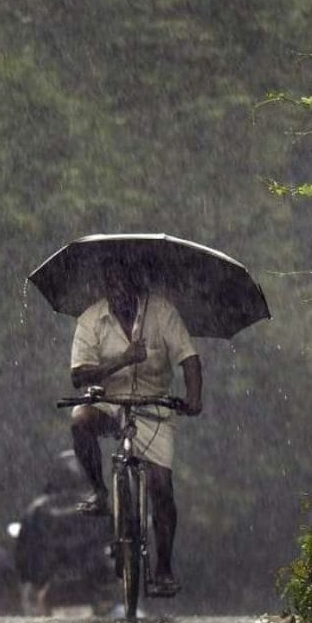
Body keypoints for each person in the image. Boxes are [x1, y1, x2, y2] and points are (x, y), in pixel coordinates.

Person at [69, 256, 202, 597]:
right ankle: (99, 491)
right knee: (80, 420)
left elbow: (189, 358)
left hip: (153, 404)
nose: (119, 294)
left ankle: (164, 568)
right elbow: (78, 376)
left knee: (161, 486)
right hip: (108, 401)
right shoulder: (90, 319)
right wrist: (123, 360)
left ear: (138, 286)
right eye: (112, 287)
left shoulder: (162, 313)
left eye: (125, 286)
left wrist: (193, 398)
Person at [14, 450, 114, 616]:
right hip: (91, 586)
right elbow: (113, 546)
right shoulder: (100, 507)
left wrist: (33, 579)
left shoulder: (36, 509)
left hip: (49, 586)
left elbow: (23, 556)